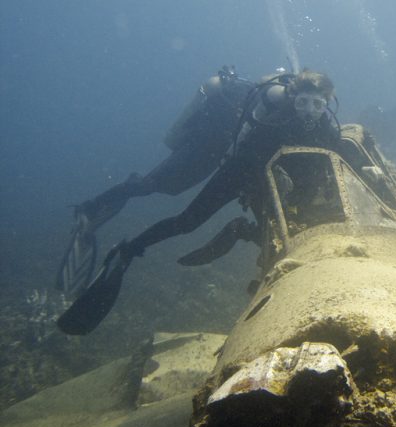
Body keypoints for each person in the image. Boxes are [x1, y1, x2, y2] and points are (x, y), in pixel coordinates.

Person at [57, 69, 341, 335]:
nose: (309, 111)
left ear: (327, 104)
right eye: (303, 102)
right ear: (292, 97)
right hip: (238, 174)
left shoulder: (326, 130)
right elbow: (247, 151)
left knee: (276, 231)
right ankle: (129, 250)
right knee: (187, 222)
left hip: (268, 184)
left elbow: (328, 165)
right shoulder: (274, 118)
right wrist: (255, 185)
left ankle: (238, 230)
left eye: (317, 104)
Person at [55, 66, 254, 295]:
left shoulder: (258, 103)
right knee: (151, 187)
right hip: (203, 147)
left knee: (168, 191)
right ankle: (91, 209)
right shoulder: (257, 104)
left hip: (212, 152)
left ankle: (123, 235)